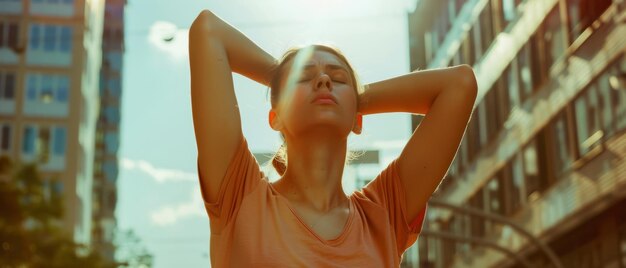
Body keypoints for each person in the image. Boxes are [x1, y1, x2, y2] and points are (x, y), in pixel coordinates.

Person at [189, 9, 477, 267]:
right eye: (305, 77)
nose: (324, 80)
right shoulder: (241, 197)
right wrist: (285, 80)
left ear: (357, 119)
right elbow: (208, 30)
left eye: (337, 79)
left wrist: (349, 98)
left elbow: (459, 84)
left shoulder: (383, 214)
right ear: (275, 116)